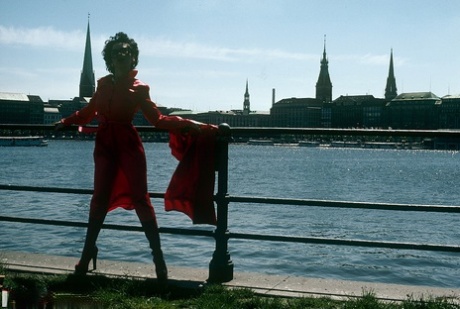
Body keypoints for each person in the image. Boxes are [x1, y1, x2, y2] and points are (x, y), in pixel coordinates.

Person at [56, 32, 203, 284]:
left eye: (126, 51)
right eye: (116, 51)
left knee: (141, 199)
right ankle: (87, 252)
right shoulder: (102, 85)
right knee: (98, 199)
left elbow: (157, 119)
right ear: (110, 59)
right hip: (104, 145)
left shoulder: (140, 88)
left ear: (133, 57)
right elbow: (89, 111)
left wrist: (186, 122)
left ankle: (158, 258)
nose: (121, 54)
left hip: (128, 145)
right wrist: (65, 121)